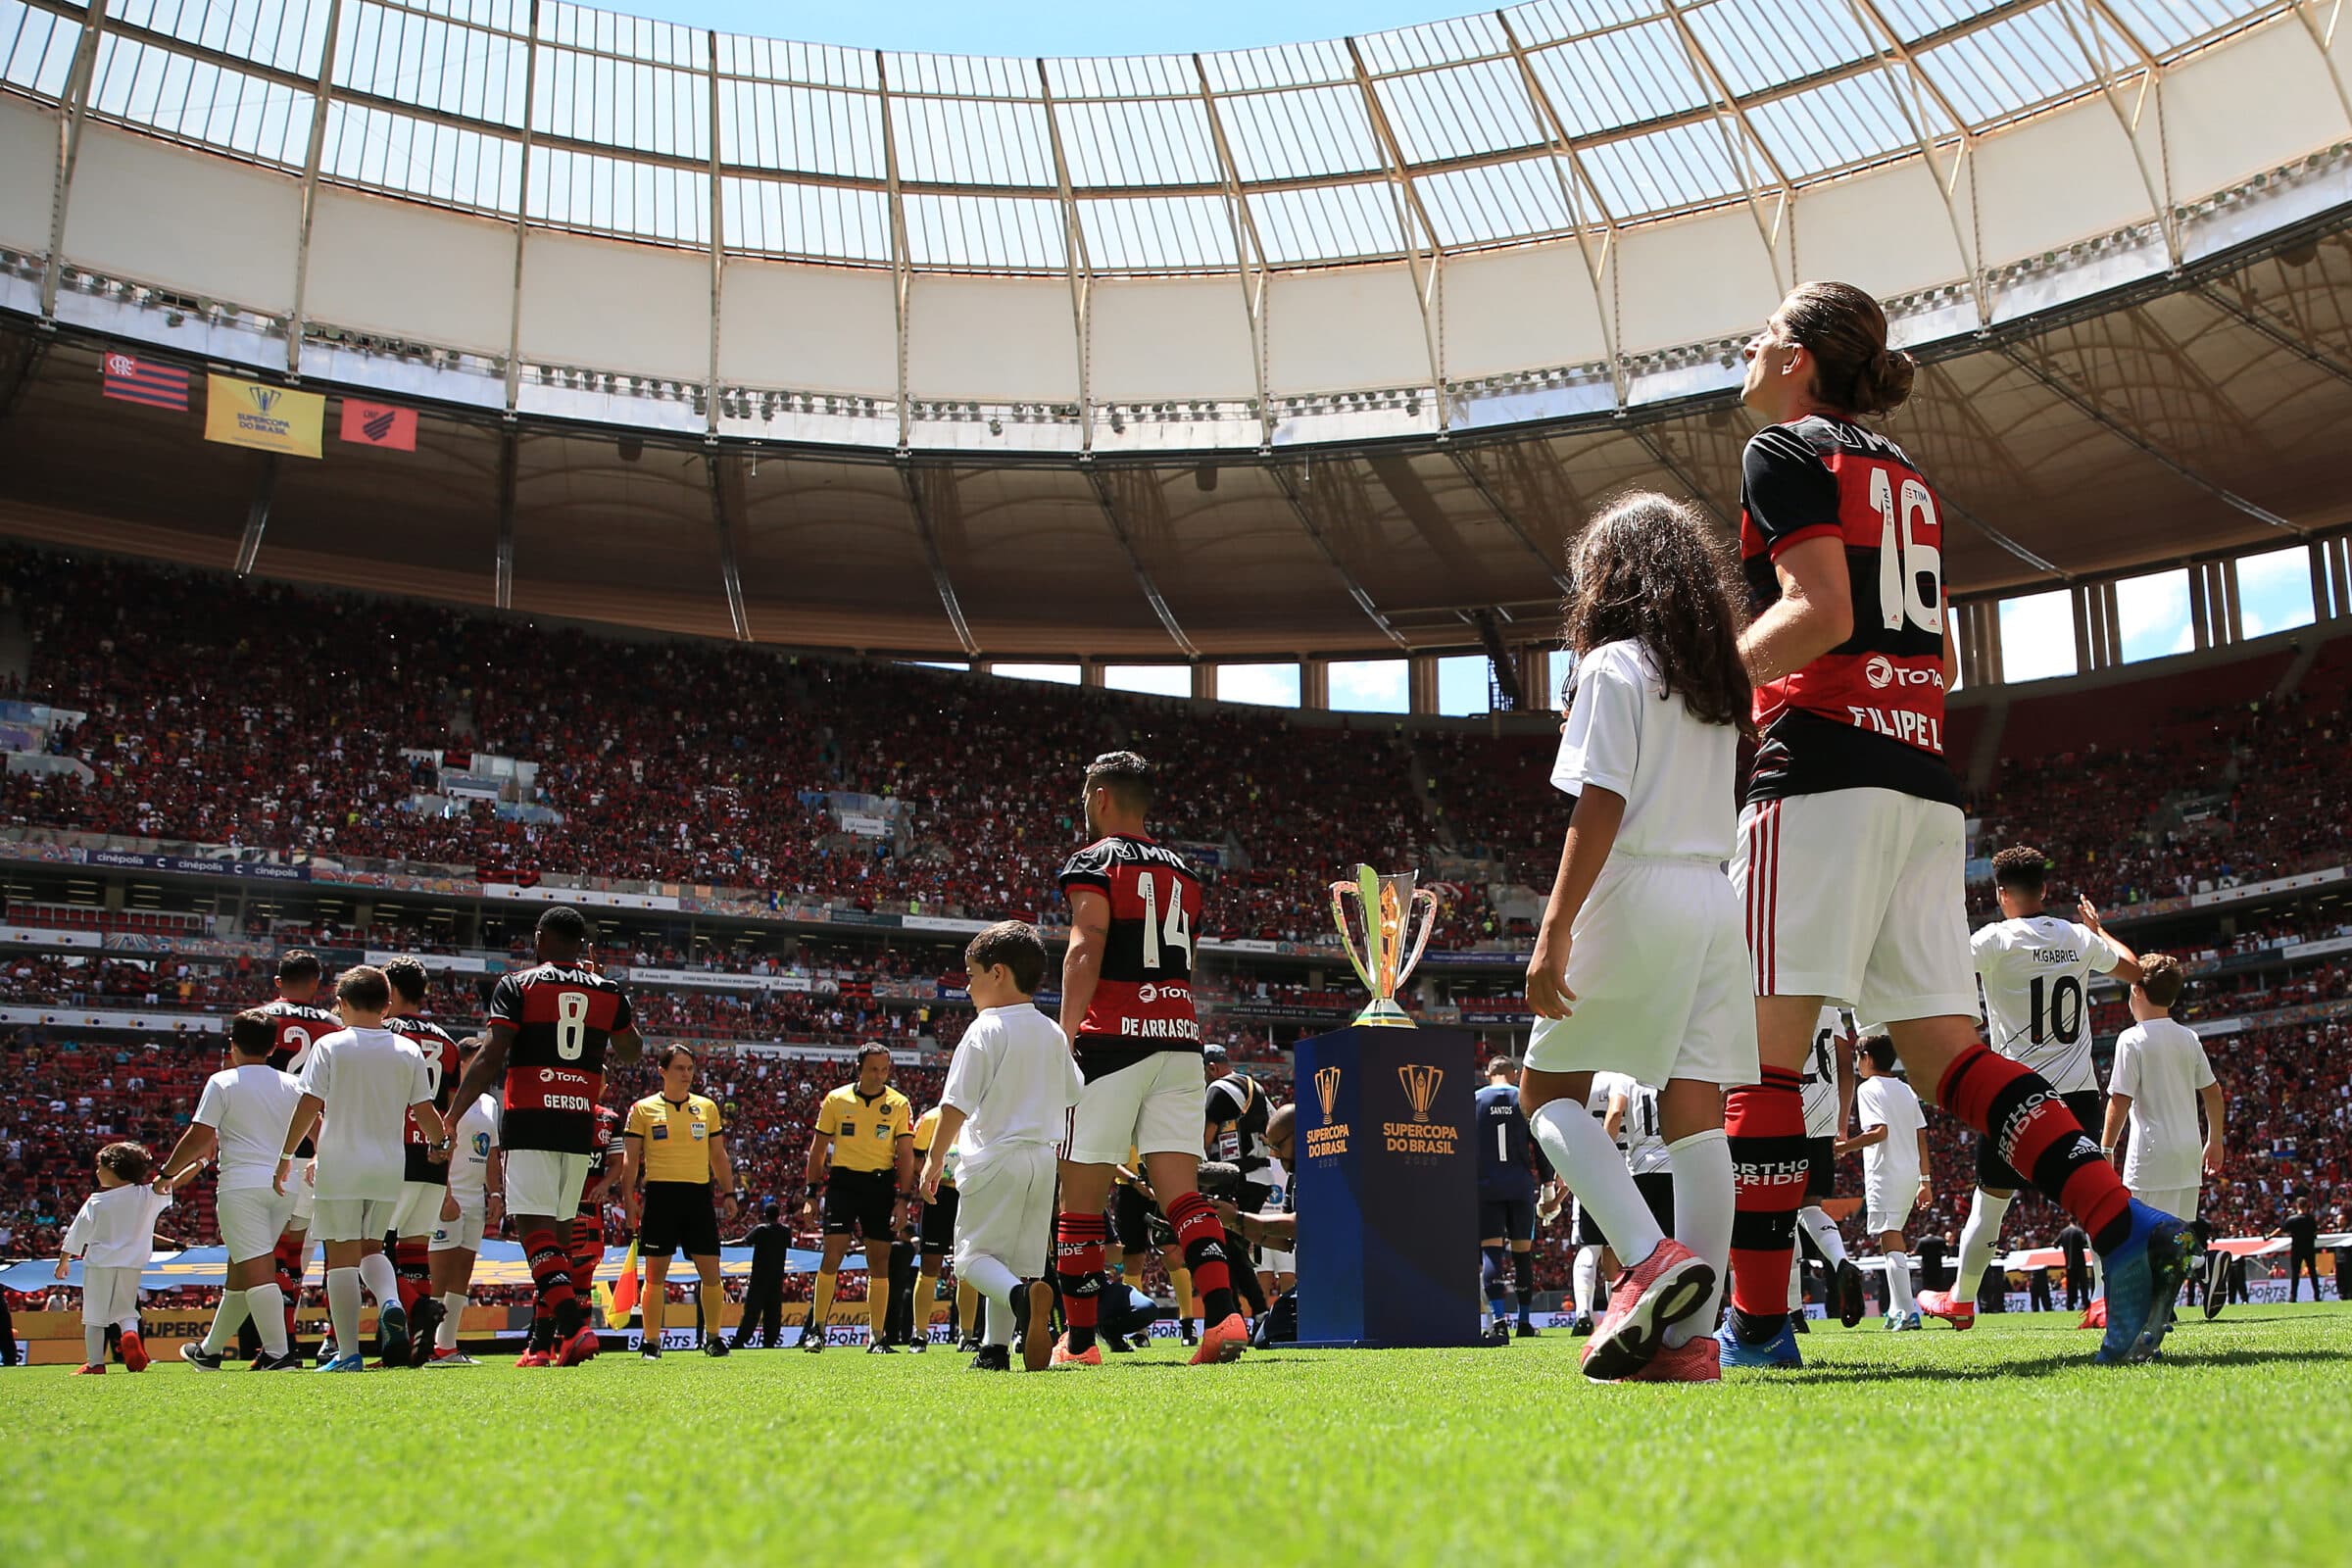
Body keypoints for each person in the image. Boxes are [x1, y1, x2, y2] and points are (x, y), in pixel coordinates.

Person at [1724, 279, 2188, 1368]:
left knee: (1762, 1057)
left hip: (1819, 773)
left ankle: (1758, 1325)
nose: (1748, 346)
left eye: (1764, 332)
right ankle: (2125, 1226)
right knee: (1947, 1056)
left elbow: (1819, 612)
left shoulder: (1780, 451)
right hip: (1920, 780)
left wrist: (1707, 677)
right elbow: (1941, 656)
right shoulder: (1905, 472)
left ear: (1797, 358)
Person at [1521, 491, 1757, 1386]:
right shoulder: (1717, 681)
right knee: (1699, 1119)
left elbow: (1602, 803)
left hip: (1637, 886)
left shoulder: (1613, 665)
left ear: (1611, 576)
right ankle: (1692, 1339)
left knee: (1545, 1093)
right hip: (1712, 894)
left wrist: (1555, 927)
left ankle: (1647, 1255)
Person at [1052, 750, 1248, 1367]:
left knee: (1080, 1205)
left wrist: (1064, 1035)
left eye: (1086, 799)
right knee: (1183, 1197)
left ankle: (1080, 1343)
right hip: (1181, 1040)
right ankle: (1224, 1317)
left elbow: (1087, 944)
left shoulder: (1093, 861)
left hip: (1111, 1041)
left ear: (1101, 797)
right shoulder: (1184, 871)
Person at [1920, 848, 2142, 1333]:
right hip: (2078, 1093)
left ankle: (1962, 1300)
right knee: (2095, 1196)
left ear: (2001, 893)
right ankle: (2104, 1301)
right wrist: (2099, 931)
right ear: (2044, 889)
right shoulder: (2078, 937)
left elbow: (1935, 968)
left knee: (1991, 1201)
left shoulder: (1995, 940)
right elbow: (2134, 969)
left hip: (2018, 1096)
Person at [445, 905, 644, 1368]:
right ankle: (544, 1345)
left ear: (539, 938)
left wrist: (453, 1114)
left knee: (535, 1232)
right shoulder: (607, 990)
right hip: (579, 1124)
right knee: (557, 1238)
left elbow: (492, 1053)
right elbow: (632, 1050)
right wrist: (606, 996)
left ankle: (574, 1329)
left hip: (531, 1117)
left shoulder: (518, 984)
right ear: (582, 944)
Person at [917, 920, 1083, 1372]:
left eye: (972, 974)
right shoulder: (1051, 1031)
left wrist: (934, 1159)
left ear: (998, 973)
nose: (968, 986)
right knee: (1009, 1260)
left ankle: (1021, 1299)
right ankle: (994, 1350)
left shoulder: (985, 1028)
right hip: (1041, 1161)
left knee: (972, 1258)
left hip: (996, 1156)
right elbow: (1074, 1091)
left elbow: (955, 1103)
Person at [278, 964, 446, 1372]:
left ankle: (348, 1353)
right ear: (387, 1005)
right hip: (388, 1165)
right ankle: (390, 1300)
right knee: (373, 1248)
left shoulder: (330, 1046)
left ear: (341, 1004)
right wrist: (440, 1143)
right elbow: (425, 1111)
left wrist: (285, 1154)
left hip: (341, 1162)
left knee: (341, 1258)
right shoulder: (407, 1050)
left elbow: (309, 1104)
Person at [156, 1010, 306, 1370]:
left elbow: (199, 1136)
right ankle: (209, 1351)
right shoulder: (294, 1084)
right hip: (285, 1185)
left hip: (241, 1185)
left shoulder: (222, 1082)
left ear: (232, 1045)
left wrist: (166, 1173)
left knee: (257, 1268)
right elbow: (314, 1128)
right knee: (241, 1268)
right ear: (273, 1048)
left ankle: (278, 1353)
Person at [251, 950, 341, 1362]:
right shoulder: (334, 1027)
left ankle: (280, 1344)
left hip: (267, 1150)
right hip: (320, 1150)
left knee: (272, 1252)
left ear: (277, 982)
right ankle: (331, 1340)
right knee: (324, 1249)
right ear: (317, 984)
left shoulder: (257, 1019)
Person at [620, 1044, 735, 1359]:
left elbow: (718, 1155)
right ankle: (651, 1343)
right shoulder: (643, 1109)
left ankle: (714, 1338)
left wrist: (729, 1192)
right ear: (662, 1071)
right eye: (679, 1068)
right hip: (661, 1196)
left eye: (690, 1068)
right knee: (655, 1275)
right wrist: (628, 1198)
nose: (686, 1074)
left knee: (711, 1272)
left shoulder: (707, 1107)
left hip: (698, 1196)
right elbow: (630, 1158)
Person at [802, 1043, 914, 1353]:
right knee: (832, 1254)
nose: (879, 1075)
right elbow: (818, 1150)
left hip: (880, 1184)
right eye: (873, 1069)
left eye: (884, 1069)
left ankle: (877, 1336)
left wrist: (903, 1199)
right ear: (859, 1068)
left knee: (879, 1260)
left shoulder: (899, 1103)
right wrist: (811, 1194)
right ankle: (817, 1331)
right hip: (843, 1183)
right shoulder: (836, 1099)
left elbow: (905, 1154)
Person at [2098, 955, 2223, 1232]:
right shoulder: (2189, 1038)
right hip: (2188, 1157)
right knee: (2179, 1242)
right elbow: (2213, 1092)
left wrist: (2106, 1149)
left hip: (2150, 1160)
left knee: (2143, 1242)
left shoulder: (2131, 1039)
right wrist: (2215, 1139)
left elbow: (2120, 1099)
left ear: (2137, 991)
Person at [382, 956, 465, 1360]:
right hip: (433, 1154)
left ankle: (417, 1307)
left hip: (392, 1150)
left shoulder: (383, 1033)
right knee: (415, 1251)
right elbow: (449, 1107)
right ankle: (417, 1348)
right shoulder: (447, 1041)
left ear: (391, 990)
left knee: (370, 1250)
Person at [57, 1142, 180, 1374]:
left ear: (112, 1168)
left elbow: (76, 1233)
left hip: (99, 1263)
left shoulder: (96, 1201)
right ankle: (130, 1334)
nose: (96, 1171)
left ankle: (95, 1363)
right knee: (126, 1310)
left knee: (95, 1316)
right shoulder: (147, 1195)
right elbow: (167, 1184)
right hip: (132, 1264)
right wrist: (200, 1162)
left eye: (100, 1167)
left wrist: (63, 1261)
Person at [1839, 1035, 1929, 1329]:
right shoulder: (1905, 1089)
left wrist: (1843, 1147)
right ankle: (1895, 1309)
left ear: (1867, 1057)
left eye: (1858, 1057)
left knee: (1890, 1238)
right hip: (1909, 1171)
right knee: (1891, 1236)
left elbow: (1879, 1132)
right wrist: (1925, 1180)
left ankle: (1908, 1311)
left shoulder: (1868, 1088)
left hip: (1886, 1172)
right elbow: (1920, 1135)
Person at [425, 1038, 501, 1366]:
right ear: (462, 1062)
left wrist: (495, 1193)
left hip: (474, 1198)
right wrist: (445, 1194)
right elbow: (434, 1147)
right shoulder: (444, 1097)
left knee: (462, 1273)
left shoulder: (488, 1102)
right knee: (438, 1274)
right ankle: (425, 1344)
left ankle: (447, 1346)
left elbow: (492, 1152)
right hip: (449, 1194)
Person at [1794, 1006, 1866, 1327]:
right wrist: (1841, 1124)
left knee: (1778, 1214)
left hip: (1783, 1111)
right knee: (1811, 1206)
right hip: (1822, 1118)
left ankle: (1792, 1310)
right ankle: (1840, 1262)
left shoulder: (1768, 995)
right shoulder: (1829, 1009)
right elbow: (1845, 1068)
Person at [1475, 1054, 1544, 1342]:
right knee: (1522, 1254)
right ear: (1514, 1074)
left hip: (1486, 1186)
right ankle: (1525, 1322)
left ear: (1486, 1073)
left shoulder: (1474, 1101)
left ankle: (1499, 1321)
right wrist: (1548, 1184)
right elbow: (1539, 1143)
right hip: (1520, 1186)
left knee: (1491, 1252)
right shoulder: (1523, 1098)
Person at [1203, 1042, 1273, 1320]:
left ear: (1211, 1068)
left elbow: (1204, 1141)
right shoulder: (1255, 1087)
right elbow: (1274, 1127)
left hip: (1232, 1177)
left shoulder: (1217, 1089)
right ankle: (1243, 1312)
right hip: (1261, 1175)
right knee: (1233, 1245)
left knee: (1226, 1247)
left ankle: (1249, 1312)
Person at [1565, 1074, 1629, 1335]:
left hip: (1589, 1167)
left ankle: (1583, 1312)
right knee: (1617, 1247)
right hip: (1626, 1167)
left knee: (1589, 1245)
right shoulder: (1626, 1079)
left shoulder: (1582, 1080)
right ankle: (1614, 1314)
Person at [908, 1101, 973, 1351]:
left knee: (968, 1264)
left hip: (969, 1194)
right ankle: (919, 1335)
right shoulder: (930, 1118)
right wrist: (939, 1171)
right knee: (929, 1265)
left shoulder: (979, 1117)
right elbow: (915, 1160)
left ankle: (967, 1335)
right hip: (939, 1194)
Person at [727, 1205, 795, 1349]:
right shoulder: (785, 1231)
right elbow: (790, 1248)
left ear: (765, 1214)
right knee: (773, 1311)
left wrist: (724, 1244)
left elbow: (743, 1241)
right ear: (778, 1215)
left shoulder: (761, 1229)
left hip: (760, 1277)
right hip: (776, 1277)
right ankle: (770, 1341)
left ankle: (740, 1340)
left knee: (752, 1311)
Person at [2270, 1206, 2323, 1302]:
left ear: (2298, 1206)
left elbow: (2281, 1229)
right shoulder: (2310, 1219)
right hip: (2309, 1248)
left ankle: (2293, 1296)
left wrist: (2269, 1236)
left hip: (2297, 1248)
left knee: (2295, 1273)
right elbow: (2316, 1230)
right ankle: (2317, 1295)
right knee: (2312, 1272)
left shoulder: (2292, 1219)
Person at [2057, 1223, 2093, 1311]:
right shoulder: (2079, 1231)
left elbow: (2055, 1244)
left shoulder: (2063, 1232)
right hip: (2080, 1263)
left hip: (2069, 1264)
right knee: (2083, 1284)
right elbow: (2086, 1243)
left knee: (2070, 1286)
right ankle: (2085, 1303)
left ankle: (2070, 1304)